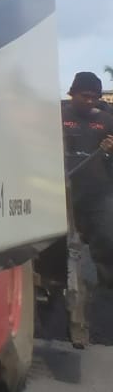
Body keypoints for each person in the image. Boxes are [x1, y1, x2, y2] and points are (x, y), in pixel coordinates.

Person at [62, 71, 113, 279]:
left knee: (107, 239)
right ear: (72, 93)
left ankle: (107, 290)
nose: (90, 100)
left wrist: (109, 150)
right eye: (85, 95)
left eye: (94, 97)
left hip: (98, 193)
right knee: (61, 246)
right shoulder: (57, 115)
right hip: (63, 193)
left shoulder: (107, 120)